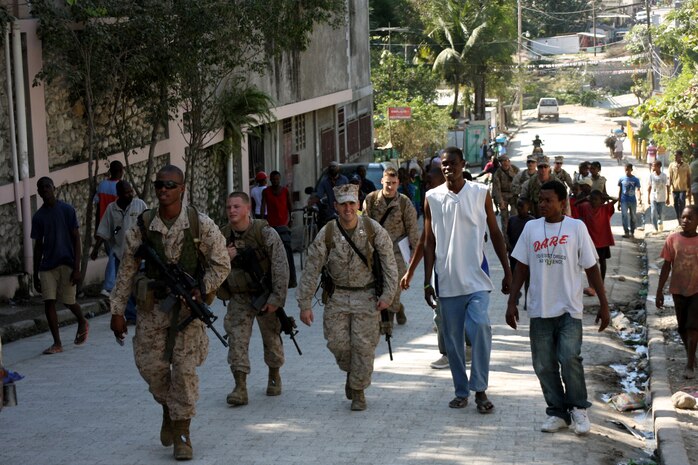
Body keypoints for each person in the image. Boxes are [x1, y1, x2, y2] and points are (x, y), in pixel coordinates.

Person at [109, 165, 230, 460]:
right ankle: (169, 407)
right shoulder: (142, 225)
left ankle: (182, 434)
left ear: (182, 189)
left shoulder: (200, 225)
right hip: (153, 311)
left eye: (170, 185)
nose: (163, 190)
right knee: (151, 368)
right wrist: (117, 311)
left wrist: (201, 287)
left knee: (185, 373)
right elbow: (126, 269)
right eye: (159, 185)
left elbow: (222, 263)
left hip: (187, 313)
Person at [506, 180, 611, 435]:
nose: (542, 205)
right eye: (540, 200)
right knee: (543, 364)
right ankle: (557, 412)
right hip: (540, 308)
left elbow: (591, 268)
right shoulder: (531, 228)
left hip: (569, 308)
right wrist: (512, 301)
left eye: (548, 200)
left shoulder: (576, 228)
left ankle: (578, 409)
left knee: (569, 358)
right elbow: (521, 266)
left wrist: (604, 305)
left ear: (562, 203)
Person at [423, 147, 512, 412]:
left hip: (476, 280)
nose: (448, 168)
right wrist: (427, 280)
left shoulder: (479, 194)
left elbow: (495, 234)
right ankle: (461, 391)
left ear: (463, 164)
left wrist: (507, 271)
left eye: (453, 163)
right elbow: (428, 241)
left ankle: (481, 390)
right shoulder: (432, 197)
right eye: (444, 164)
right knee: (453, 342)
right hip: (447, 281)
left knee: (481, 327)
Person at [297, 184, 398, 411]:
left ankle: (358, 391)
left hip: (367, 297)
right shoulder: (328, 232)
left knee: (363, 347)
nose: (348, 208)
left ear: (358, 205)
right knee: (338, 344)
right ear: (336, 206)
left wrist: (388, 295)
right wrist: (304, 304)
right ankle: (353, 373)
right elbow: (312, 268)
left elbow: (390, 264)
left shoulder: (373, 230)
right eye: (343, 204)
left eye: (352, 203)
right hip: (337, 297)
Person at [219, 192, 289, 406]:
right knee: (237, 339)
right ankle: (240, 386)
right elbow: (211, 266)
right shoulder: (222, 236)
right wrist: (225, 258)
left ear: (247, 209)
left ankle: (274, 374)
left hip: (265, 294)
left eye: (237, 206)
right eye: (229, 206)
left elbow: (280, 265)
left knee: (271, 337)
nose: (232, 210)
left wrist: (277, 298)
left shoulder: (264, 232)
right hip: (239, 297)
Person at [31, 177, 89, 355]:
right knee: (49, 301)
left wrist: (77, 268)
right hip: (47, 265)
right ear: (39, 192)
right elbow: (38, 246)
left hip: (67, 263)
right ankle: (57, 343)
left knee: (69, 301)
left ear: (53, 188)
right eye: (42, 188)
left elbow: (76, 239)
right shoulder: (38, 217)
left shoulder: (67, 210)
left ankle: (82, 320)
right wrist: (35, 273)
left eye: (47, 186)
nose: (45, 190)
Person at [363, 167, 420, 325]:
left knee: (394, 285)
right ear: (382, 181)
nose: (390, 186)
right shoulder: (371, 200)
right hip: (376, 251)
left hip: (397, 252)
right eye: (387, 183)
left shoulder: (404, 203)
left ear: (398, 183)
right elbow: (364, 226)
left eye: (394, 183)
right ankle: (396, 307)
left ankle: (389, 319)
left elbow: (413, 230)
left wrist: (413, 260)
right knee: (379, 284)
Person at [90, 180, 147, 323]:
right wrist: (96, 249)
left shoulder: (139, 204)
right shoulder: (111, 209)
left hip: (139, 254)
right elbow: (104, 231)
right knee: (122, 287)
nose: (130, 194)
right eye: (126, 192)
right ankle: (132, 316)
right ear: (119, 194)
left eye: (131, 191)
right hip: (120, 255)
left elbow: (149, 225)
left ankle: (141, 313)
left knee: (138, 285)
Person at [656, 205, 698, 379]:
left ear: (697, 221)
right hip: (678, 290)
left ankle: (689, 365)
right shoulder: (672, 239)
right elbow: (666, 266)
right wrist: (659, 291)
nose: (685, 221)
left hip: (696, 290)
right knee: (682, 327)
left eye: (690, 218)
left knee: (693, 327)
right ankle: (691, 354)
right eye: (683, 217)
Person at [261, 171, 297, 288]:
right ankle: (271, 280)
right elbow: (263, 206)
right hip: (271, 227)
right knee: (270, 253)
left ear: (279, 179)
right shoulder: (266, 192)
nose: (275, 181)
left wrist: (291, 219)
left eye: (277, 179)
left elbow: (290, 206)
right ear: (270, 180)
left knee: (288, 251)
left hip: (283, 226)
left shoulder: (285, 191)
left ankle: (292, 279)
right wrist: (262, 221)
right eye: (273, 179)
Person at [93, 160, 124, 297]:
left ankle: (114, 284)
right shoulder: (120, 187)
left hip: (103, 224)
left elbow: (98, 207)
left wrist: (96, 228)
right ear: (120, 172)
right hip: (115, 226)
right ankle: (108, 286)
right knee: (114, 254)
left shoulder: (102, 186)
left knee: (112, 254)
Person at [576, 190, 618, 287]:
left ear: (601, 201)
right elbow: (575, 204)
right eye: (591, 199)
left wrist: (607, 198)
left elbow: (616, 199)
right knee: (591, 264)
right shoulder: (586, 207)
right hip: (591, 242)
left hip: (603, 241)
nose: (593, 202)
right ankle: (592, 285)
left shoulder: (605, 208)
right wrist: (585, 198)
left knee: (602, 262)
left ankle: (601, 283)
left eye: (596, 200)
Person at [507, 197, 535, 310]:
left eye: (522, 206)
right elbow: (508, 234)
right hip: (514, 253)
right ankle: (515, 296)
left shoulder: (532, 221)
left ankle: (527, 301)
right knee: (515, 276)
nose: (519, 208)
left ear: (528, 207)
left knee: (528, 278)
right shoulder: (512, 220)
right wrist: (508, 246)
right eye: (518, 206)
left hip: (528, 255)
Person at [491, 155, 520, 237]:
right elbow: (496, 189)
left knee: (515, 215)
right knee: (504, 218)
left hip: (514, 195)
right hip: (503, 196)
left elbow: (520, 181)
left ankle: (515, 235)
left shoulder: (514, 169)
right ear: (500, 163)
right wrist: (500, 202)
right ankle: (506, 238)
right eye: (503, 161)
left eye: (507, 160)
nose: (505, 163)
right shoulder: (498, 173)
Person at [617, 163, 642, 238]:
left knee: (633, 216)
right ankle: (626, 231)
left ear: (631, 169)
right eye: (626, 169)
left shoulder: (635, 179)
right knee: (624, 215)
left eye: (628, 169)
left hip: (632, 201)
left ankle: (632, 231)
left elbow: (638, 189)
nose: (627, 171)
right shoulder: (622, 179)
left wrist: (639, 198)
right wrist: (619, 201)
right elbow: (620, 190)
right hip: (624, 200)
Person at [647, 161, 670, 232]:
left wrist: (668, 197)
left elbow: (668, 186)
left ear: (659, 166)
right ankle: (655, 228)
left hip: (662, 198)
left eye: (654, 166)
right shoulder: (651, 175)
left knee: (662, 213)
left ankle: (660, 223)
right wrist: (648, 197)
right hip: (653, 197)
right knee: (653, 212)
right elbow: (649, 186)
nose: (653, 167)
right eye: (652, 166)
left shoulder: (664, 176)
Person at [669, 150, 692, 220]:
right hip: (674, 188)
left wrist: (689, 189)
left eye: (677, 155)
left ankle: (682, 216)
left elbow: (689, 177)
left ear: (681, 156)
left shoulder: (686, 165)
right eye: (675, 155)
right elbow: (670, 177)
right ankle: (678, 217)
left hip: (683, 188)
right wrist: (668, 188)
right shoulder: (672, 165)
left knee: (682, 202)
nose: (675, 157)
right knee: (675, 204)